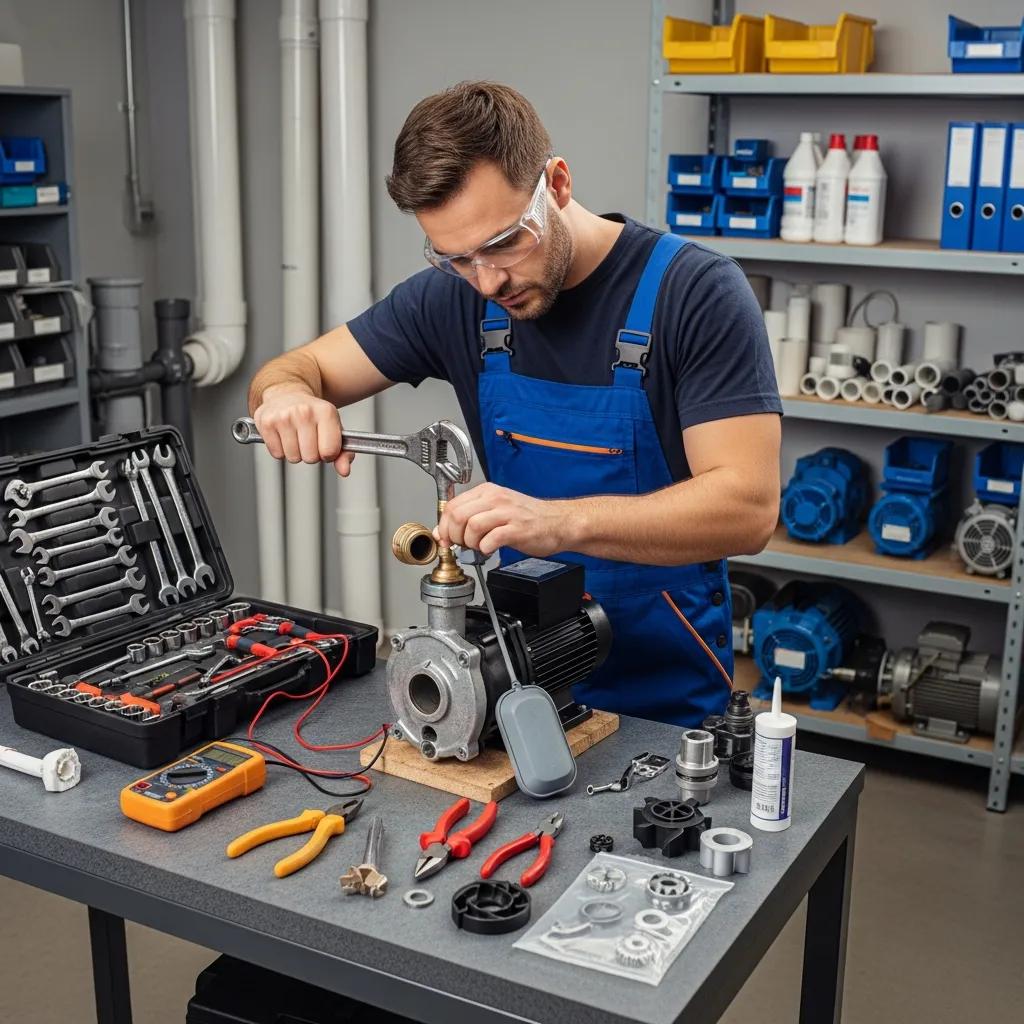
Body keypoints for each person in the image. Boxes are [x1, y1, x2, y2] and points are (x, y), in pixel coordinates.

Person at [247, 81, 781, 727]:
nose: (488, 281)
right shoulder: (458, 299)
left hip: (663, 704)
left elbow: (748, 510)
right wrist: (284, 396)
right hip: (521, 689)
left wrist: (559, 524)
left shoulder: (695, 293)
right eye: (457, 258)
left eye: (504, 243)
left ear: (556, 183)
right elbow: (297, 368)